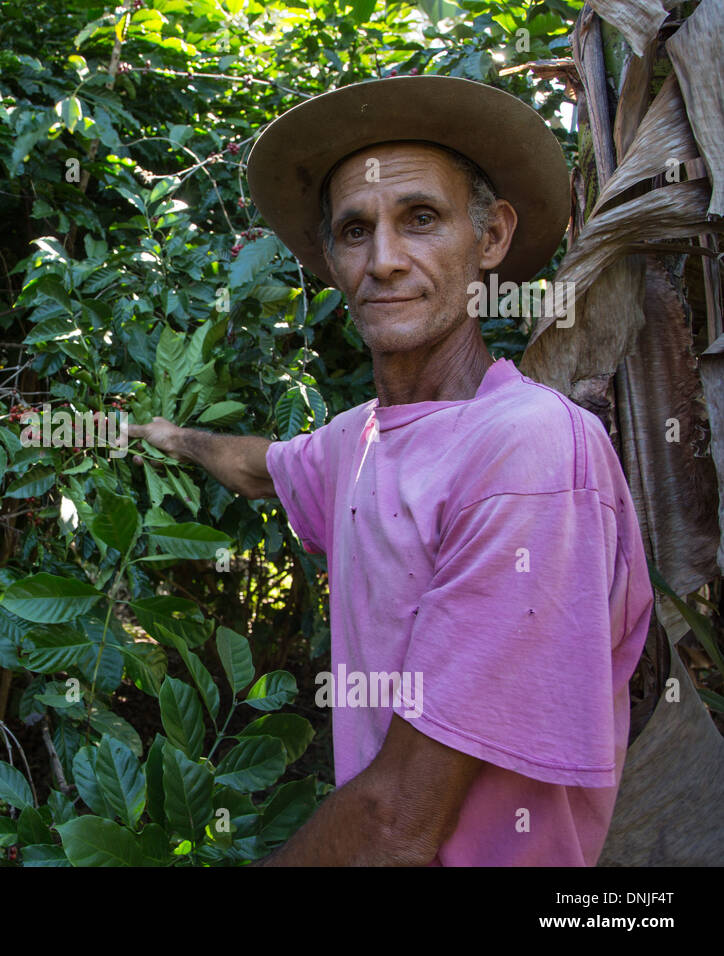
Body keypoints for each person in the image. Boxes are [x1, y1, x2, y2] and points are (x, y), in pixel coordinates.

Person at [125, 76, 653, 866]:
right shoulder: (360, 439)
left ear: (493, 238)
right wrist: (159, 431)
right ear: (331, 260)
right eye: (354, 231)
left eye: (421, 219)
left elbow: (395, 823)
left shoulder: (529, 451)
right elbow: (262, 470)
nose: (385, 260)